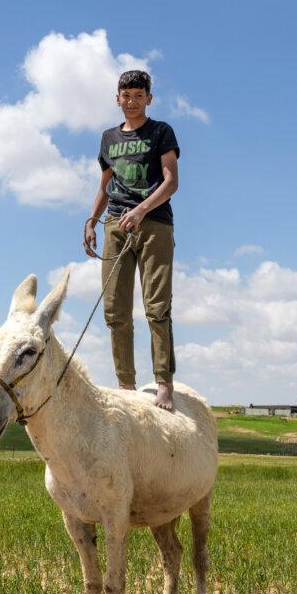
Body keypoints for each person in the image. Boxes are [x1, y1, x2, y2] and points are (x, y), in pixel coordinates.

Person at [83, 69, 180, 411]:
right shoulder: (108, 138)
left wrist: (141, 210)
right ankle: (125, 384)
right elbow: (105, 186)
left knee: (156, 307)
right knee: (115, 310)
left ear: (148, 99)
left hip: (153, 223)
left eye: (139, 95)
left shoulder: (161, 132)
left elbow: (171, 182)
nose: (132, 101)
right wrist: (92, 220)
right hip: (114, 224)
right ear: (117, 98)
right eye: (126, 95)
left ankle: (163, 384)